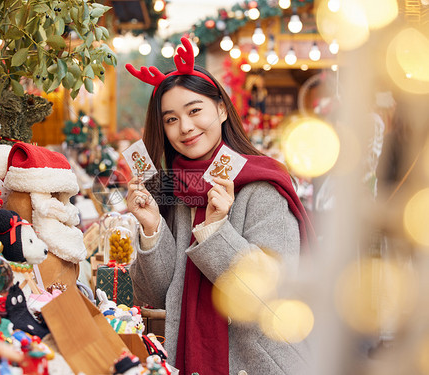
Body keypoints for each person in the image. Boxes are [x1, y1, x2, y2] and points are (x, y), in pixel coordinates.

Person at [125, 37, 314, 375]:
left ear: (222, 109)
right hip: (188, 361)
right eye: (170, 119)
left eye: (195, 110)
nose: (185, 127)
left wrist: (216, 231)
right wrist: (153, 227)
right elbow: (155, 294)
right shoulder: (172, 191)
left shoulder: (262, 186)